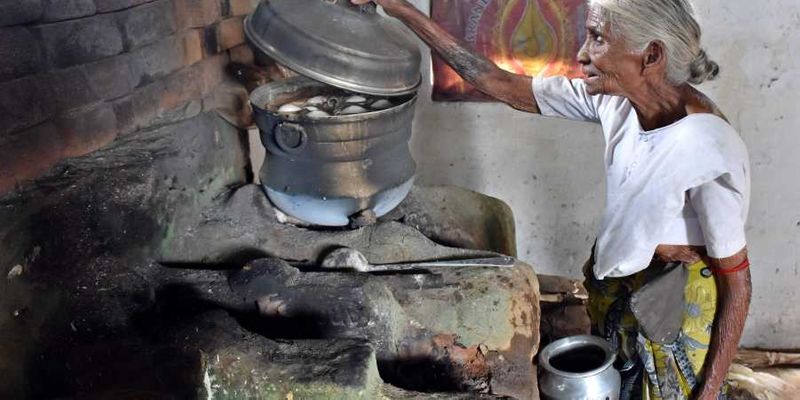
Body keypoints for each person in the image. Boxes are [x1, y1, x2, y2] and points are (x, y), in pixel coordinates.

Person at [351, 0, 751, 399]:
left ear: (650, 56)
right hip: (623, 283)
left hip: (674, 306)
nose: (581, 55)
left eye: (597, 39)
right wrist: (399, 8)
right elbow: (500, 84)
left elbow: (738, 284)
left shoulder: (706, 147)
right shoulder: (616, 99)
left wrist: (710, 391)